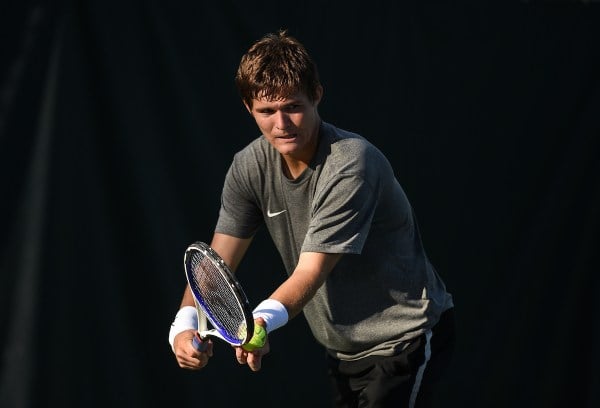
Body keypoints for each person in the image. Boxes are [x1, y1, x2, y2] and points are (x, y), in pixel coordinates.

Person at [168, 29, 455, 407]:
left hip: (405, 339)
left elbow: (311, 272)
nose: (281, 123)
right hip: (342, 350)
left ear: (317, 95)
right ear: (248, 108)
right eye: (267, 111)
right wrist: (183, 323)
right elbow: (212, 268)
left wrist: (258, 324)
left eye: (293, 106)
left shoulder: (351, 163)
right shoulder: (249, 167)